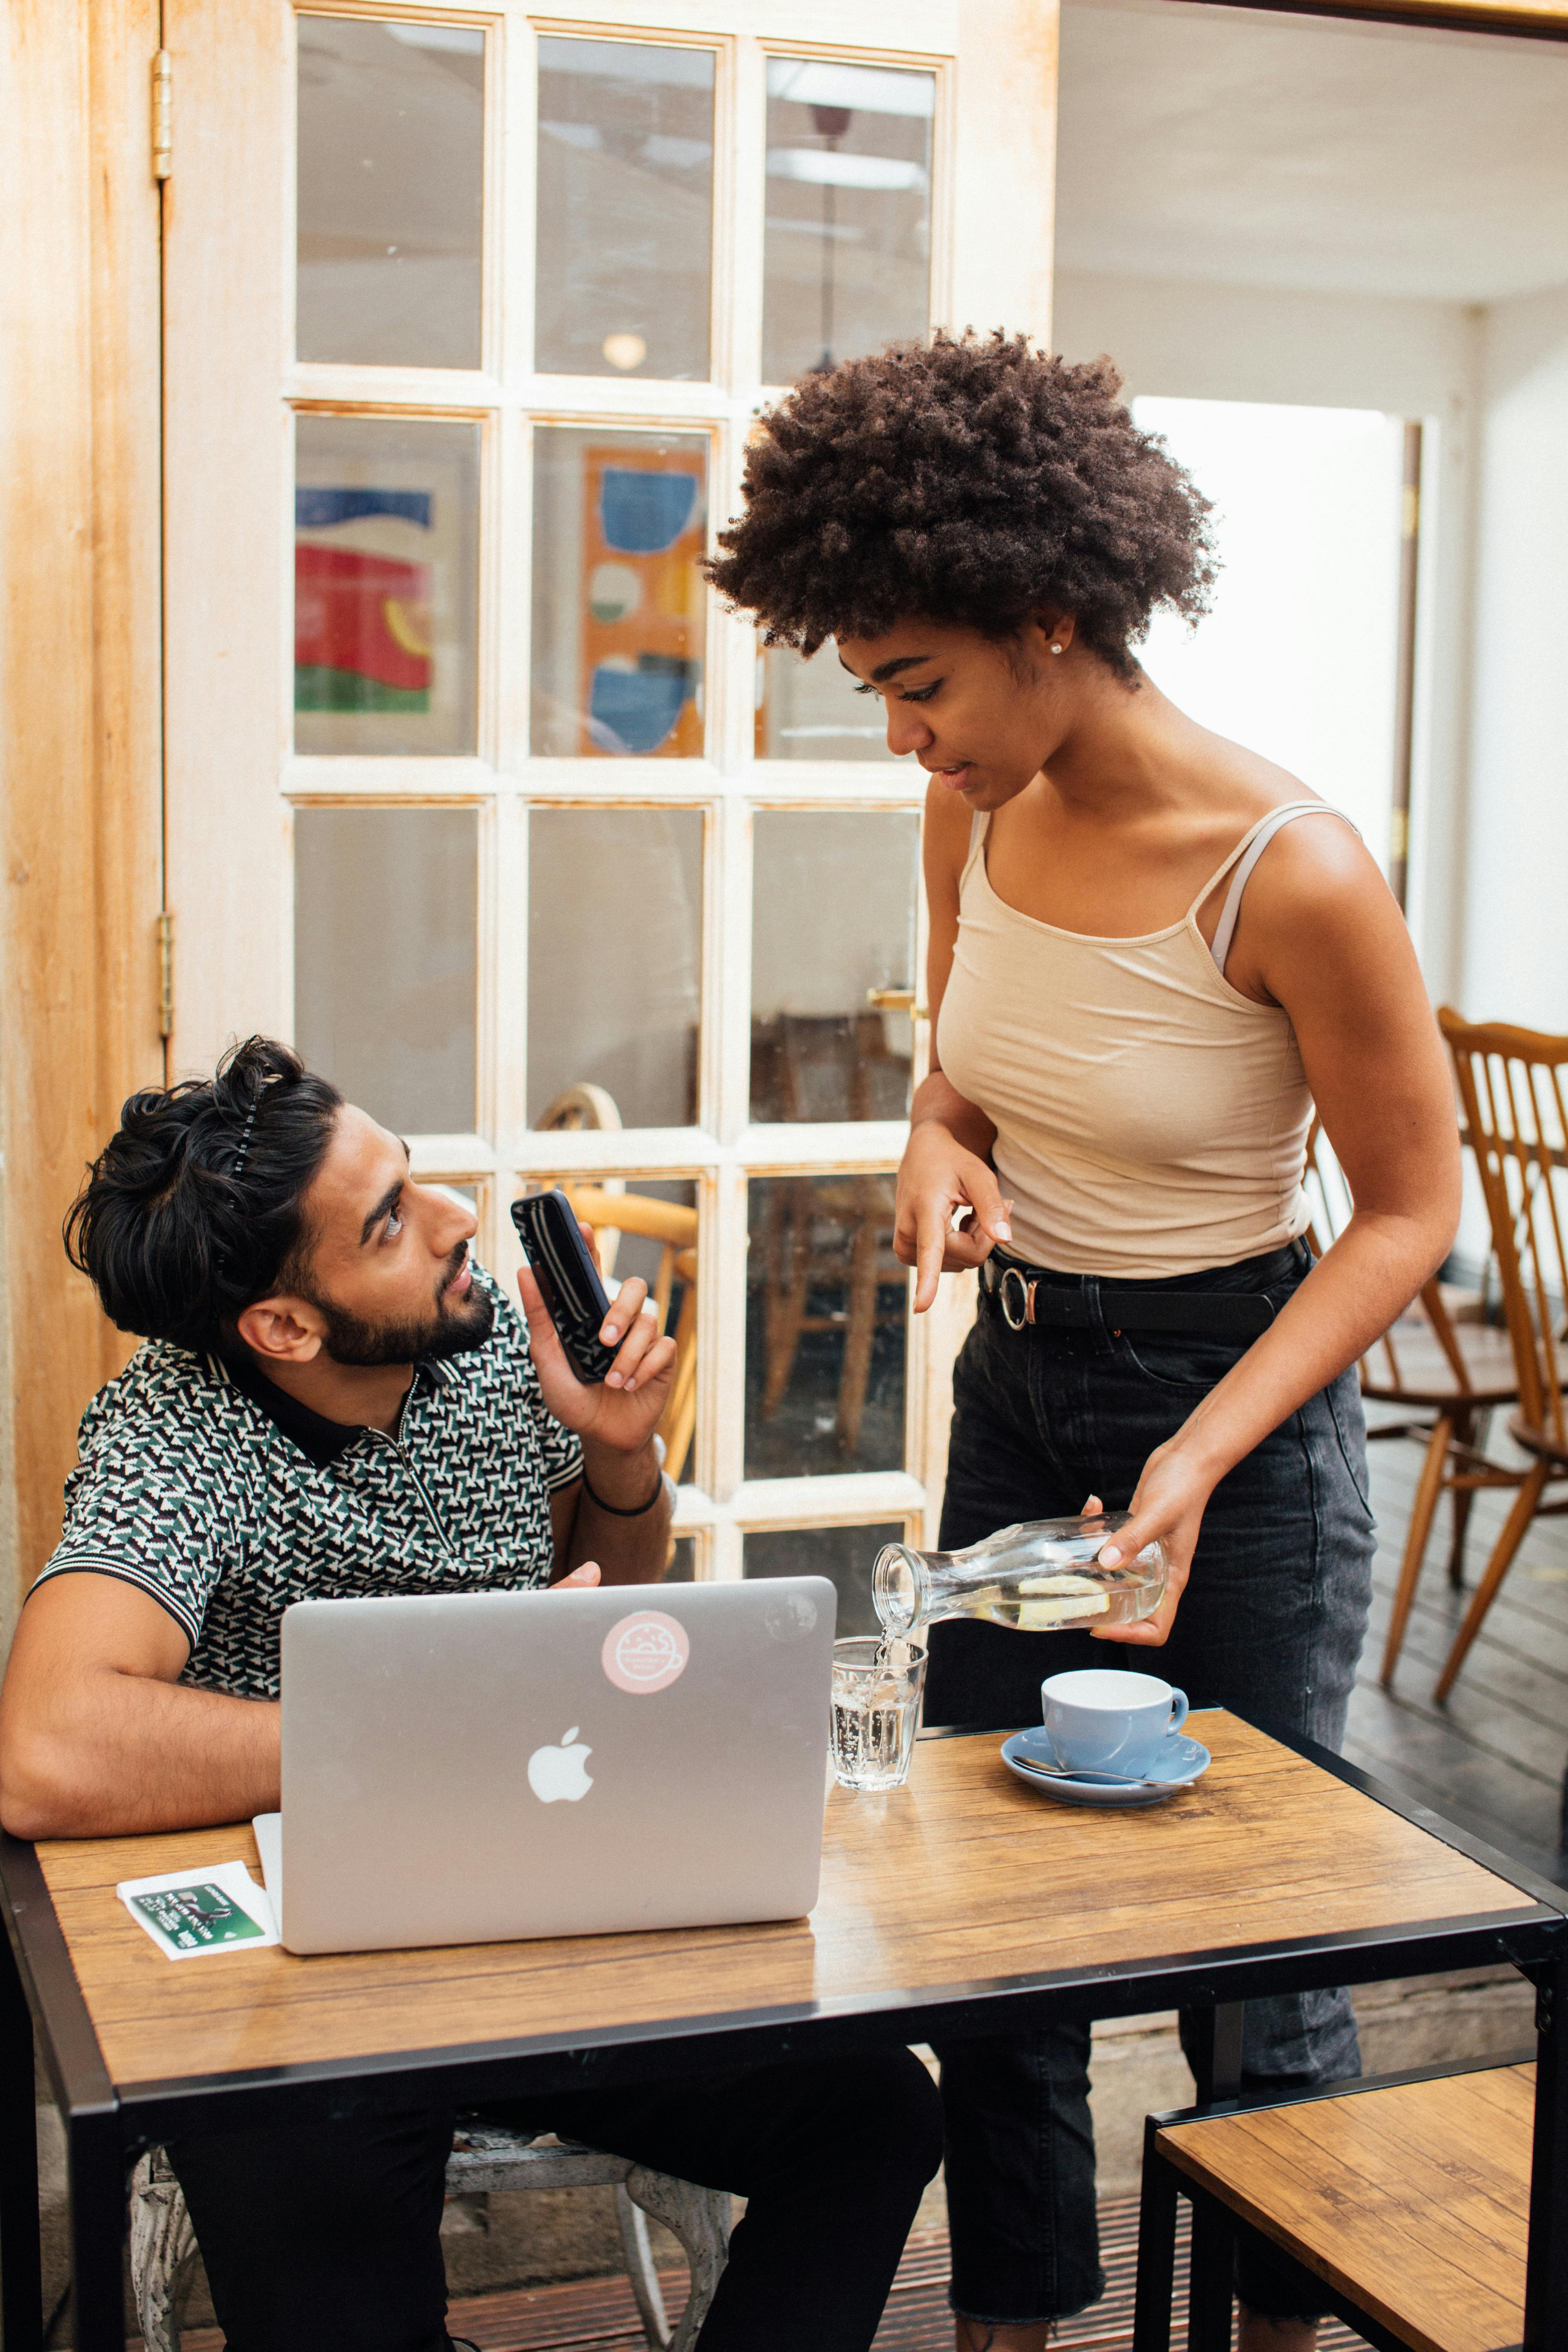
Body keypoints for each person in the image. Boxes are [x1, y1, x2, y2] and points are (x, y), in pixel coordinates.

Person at [708, 334, 1461, 2352]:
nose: (900, 742)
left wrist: (1204, 1464)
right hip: (1022, 1397)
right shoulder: (980, 810)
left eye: (919, 686)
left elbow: (1410, 1217)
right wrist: (936, 1137)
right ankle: (1015, 2325)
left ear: (1053, 619)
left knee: (1257, 1937)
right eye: (873, 692)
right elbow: (963, 1073)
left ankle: (1273, 2320)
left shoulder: (1288, 869)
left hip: (1240, 1405)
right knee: (987, 1908)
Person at [0, 1037, 942, 2352]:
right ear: (284, 1325)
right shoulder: (174, 1431)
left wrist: (619, 1456)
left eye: (417, 1178)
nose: (456, 1220)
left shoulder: (496, 1357)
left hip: (545, 1911)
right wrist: (426, 1739)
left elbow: (611, 1598)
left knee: (877, 2113)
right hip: (309, 1990)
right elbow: (48, 1751)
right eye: (390, 1221)